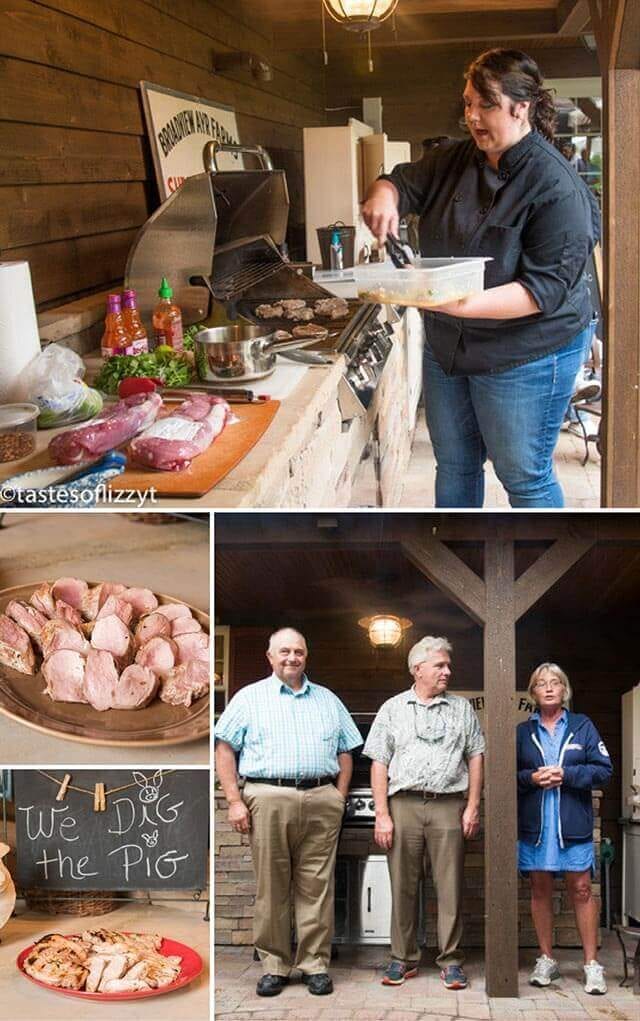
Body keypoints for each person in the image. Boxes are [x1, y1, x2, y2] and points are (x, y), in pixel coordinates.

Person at [362, 49, 601, 509]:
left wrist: (457, 302)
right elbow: (401, 181)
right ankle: (458, 563)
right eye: (468, 104)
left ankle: (549, 576)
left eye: (485, 105)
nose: (471, 117)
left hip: (527, 348)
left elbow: (542, 291)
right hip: (450, 341)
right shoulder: (453, 160)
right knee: (454, 464)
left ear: (521, 107)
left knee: (523, 477)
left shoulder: (557, 187)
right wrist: (384, 196)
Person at [214, 627, 362, 999]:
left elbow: (347, 751)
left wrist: (338, 797)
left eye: (298, 651)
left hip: (320, 797)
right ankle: (275, 965)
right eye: (284, 652)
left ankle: (314, 965)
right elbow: (225, 749)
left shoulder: (328, 699)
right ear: (270, 657)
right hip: (267, 795)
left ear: (305, 657)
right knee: (271, 886)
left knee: (317, 886)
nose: (292, 658)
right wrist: (234, 799)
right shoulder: (249, 698)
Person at [363, 636, 485, 990]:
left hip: (449, 804)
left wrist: (472, 806)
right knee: (402, 885)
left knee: (449, 887)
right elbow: (379, 762)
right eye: (440, 665)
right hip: (404, 805)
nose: (448, 671)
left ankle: (450, 960)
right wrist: (382, 813)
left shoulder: (462, 709)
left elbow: (476, 755)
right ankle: (403, 958)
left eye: (448, 665)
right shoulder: (393, 708)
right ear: (418, 669)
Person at [517, 663, 613, 995]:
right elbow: (509, 777)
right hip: (537, 829)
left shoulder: (583, 726)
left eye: (554, 683)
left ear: (564, 690)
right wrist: (531, 778)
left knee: (583, 890)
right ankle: (547, 960)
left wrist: (567, 775)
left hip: (573, 827)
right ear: (532, 693)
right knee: (540, 891)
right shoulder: (521, 732)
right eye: (541, 684)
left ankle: (591, 965)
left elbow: (603, 770)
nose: (548, 688)